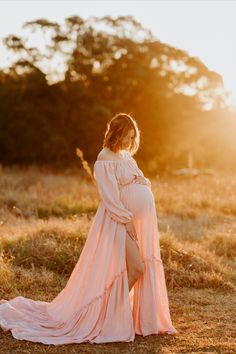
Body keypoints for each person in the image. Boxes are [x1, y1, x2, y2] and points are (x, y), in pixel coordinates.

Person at [0, 113, 177, 345]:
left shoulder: (125, 156)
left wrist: (142, 187)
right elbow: (110, 197)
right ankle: (111, 316)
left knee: (132, 268)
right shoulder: (104, 158)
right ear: (116, 133)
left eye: (132, 138)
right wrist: (128, 220)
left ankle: (116, 314)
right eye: (125, 137)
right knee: (135, 267)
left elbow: (139, 181)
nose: (128, 142)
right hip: (117, 222)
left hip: (131, 221)